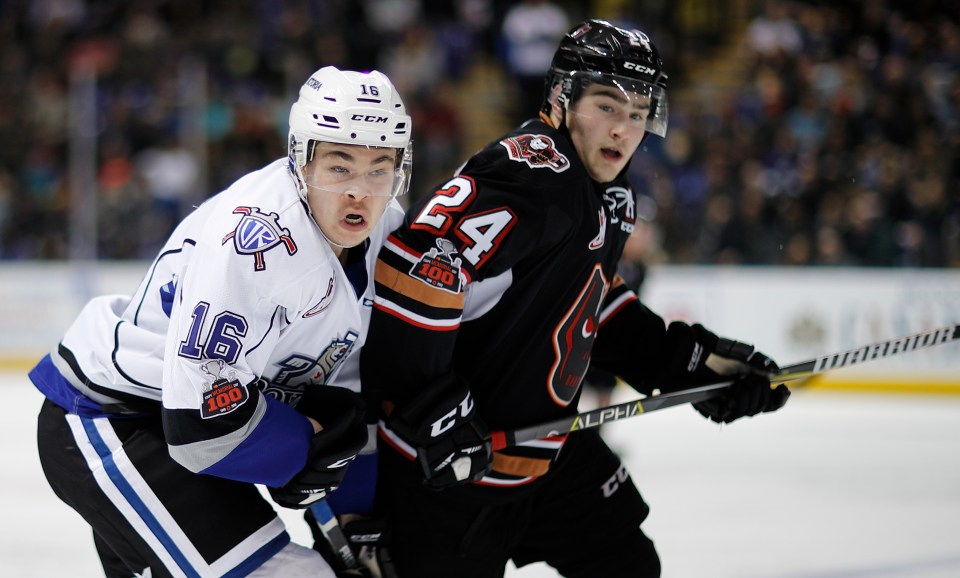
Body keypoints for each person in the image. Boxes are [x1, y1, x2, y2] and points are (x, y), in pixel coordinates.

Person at [360, 19, 790, 577]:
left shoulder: (609, 196)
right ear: (562, 99)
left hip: (546, 454)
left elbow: (589, 303)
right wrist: (432, 409)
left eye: (638, 113)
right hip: (453, 470)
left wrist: (687, 363)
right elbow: (412, 270)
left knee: (627, 565)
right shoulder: (531, 172)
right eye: (608, 107)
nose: (624, 130)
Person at [29, 65, 412, 578]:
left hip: (183, 426)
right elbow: (201, 428)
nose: (361, 193)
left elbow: (342, 386)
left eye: (379, 168)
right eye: (339, 167)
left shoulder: (385, 228)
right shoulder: (256, 244)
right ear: (300, 160)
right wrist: (300, 455)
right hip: (116, 422)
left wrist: (351, 509)